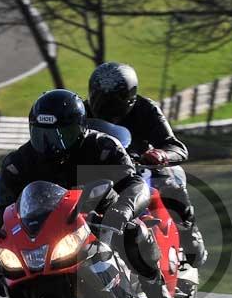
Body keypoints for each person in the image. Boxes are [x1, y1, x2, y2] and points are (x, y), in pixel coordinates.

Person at [0, 89, 179, 298]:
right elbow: (5, 212)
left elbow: (134, 184)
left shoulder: (102, 148)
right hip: (48, 234)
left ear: (80, 127)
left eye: (63, 134)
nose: (52, 143)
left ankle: (157, 293)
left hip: (102, 221)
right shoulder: (17, 164)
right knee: (5, 272)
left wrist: (120, 213)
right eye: (42, 134)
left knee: (135, 232)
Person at [87, 62, 207, 267]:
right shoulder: (82, 112)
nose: (106, 107)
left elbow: (177, 147)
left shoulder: (147, 109)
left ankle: (189, 234)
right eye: (99, 98)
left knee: (173, 178)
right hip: (99, 169)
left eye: (113, 101)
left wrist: (159, 154)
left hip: (140, 167)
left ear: (129, 96)